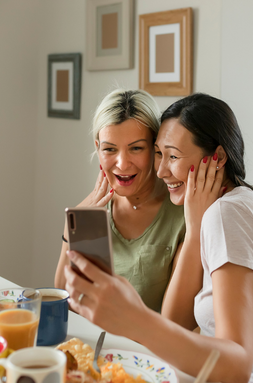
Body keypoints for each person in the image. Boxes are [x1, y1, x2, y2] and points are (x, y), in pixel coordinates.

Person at [63, 93, 253, 383]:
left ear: (218, 158)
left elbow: (236, 367)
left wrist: (134, 317)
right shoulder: (217, 213)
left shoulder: (229, 213)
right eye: (159, 154)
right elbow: (176, 324)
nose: (160, 171)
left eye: (172, 156)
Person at [54, 89, 187, 313]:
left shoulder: (182, 213)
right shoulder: (90, 212)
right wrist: (72, 229)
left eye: (136, 148)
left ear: (156, 146)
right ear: (97, 147)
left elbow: (177, 321)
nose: (123, 164)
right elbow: (65, 303)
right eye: (109, 149)